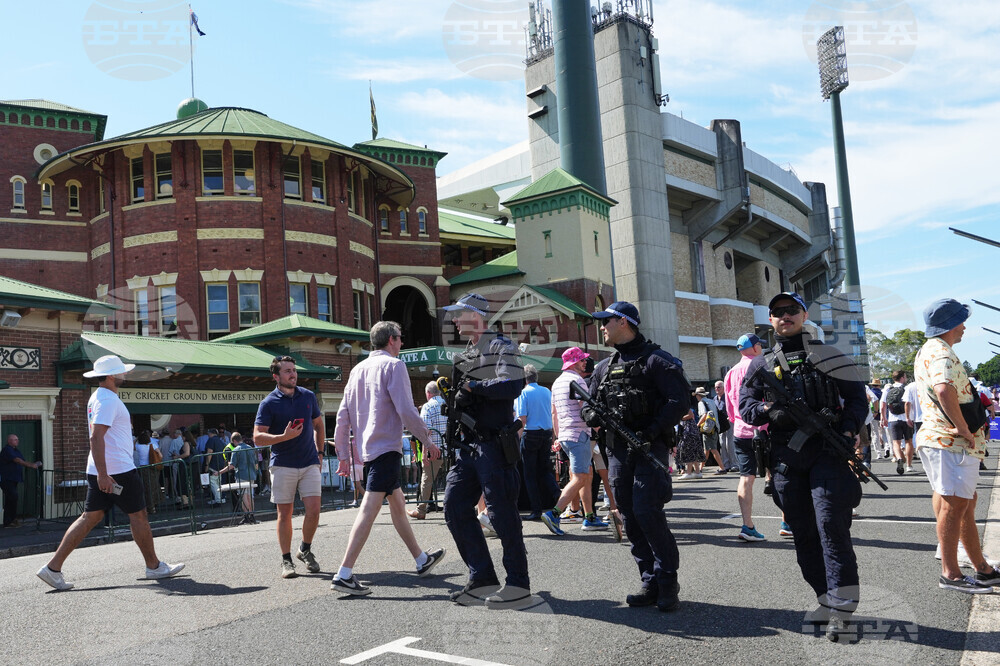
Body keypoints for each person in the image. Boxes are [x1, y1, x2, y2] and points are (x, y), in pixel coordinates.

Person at [739, 293, 867, 641]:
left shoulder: (829, 354)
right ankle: (825, 599)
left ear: (803, 314)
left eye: (791, 310)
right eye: (778, 312)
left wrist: (848, 428)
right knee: (805, 535)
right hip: (786, 459)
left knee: (832, 529)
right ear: (770, 319)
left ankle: (843, 609)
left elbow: (857, 399)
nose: (785, 316)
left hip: (827, 452)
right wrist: (769, 412)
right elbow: (745, 407)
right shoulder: (760, 364)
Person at [37, 355, 184, 590]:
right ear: (112, 375)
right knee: (139, 516)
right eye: (121, 371)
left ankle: (52, 568)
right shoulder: (108, 400)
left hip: (103, 470)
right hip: (118, 470)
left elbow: (99, 437)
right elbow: (96, 437)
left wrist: (101, 474)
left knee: (89, 518)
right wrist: (105, 475)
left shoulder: (98, 397)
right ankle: (154, 566)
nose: (125, 374)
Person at [587, 301, 690, 612]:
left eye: (606, 322)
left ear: (623, 322)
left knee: (648, 513)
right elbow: (588, 404)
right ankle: (649, 580)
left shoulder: (656, 360)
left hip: (648, 448)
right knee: (630, 516)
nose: (602, 327)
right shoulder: (604, 368)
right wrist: (592, 413)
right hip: (617, 451)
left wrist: (651, 430)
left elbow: (679, 400)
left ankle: (667, 581)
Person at [331, 321, 445, 596]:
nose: (402, 343)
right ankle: (344, 573)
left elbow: (342, 415)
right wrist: (427, 440)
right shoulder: (394, 366)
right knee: (369, 509)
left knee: (398, 502)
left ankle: (420, 559)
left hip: (368, 449)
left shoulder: (356, 369)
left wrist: (344, 456)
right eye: (401, 338)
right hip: (386, 446)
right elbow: (406, 409)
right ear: (392, 340)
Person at [441, 293, 530, 609]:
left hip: (493, 444)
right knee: (453, 507)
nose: (453, 320)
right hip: (468, 447)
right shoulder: (467, 353)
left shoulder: (500, 347)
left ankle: (518, 585)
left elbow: (512, 384)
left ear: (474, 316)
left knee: (503, 515)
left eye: (458, 315)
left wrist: (474, 388)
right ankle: (482, 578)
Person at [913, 299, 1000, 593]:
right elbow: (943, 388)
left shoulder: (931, 349)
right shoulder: (941, 352)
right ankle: (950, 574)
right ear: (951, 324)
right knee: (956, 503)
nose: (964, 327)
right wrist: (963, 427)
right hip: (951, 442)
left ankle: (982, 568)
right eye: (962, 321)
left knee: (962, 502)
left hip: (941, 440)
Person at [253, 355, 326, 579]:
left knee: (314, 510)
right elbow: (257, 438)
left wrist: (320, 453)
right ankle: (286, 560)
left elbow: (319, 425)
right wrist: (282, 437)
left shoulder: (308, 396)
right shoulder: (268, 403)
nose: (293, 374)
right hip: (283, 465)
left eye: (294, 370)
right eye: (287, 371)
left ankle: (304, 549)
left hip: (309, 462)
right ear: (276, 376)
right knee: (285, 514)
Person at [542, 348, 608, 534]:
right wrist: (597, 428)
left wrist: (557, 437)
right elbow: (585, 408)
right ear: (573, 363)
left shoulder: (556, 383)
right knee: (581, 477)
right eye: (581, 361)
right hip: (579, 433)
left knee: (586, 475)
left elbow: (554, 412)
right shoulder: (577, 380)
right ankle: (554, 513)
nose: (584, 363)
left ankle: (589, 517)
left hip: (565, 435)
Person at [724, 333, 769, 542]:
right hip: (765, 429)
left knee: (745, 477)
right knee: (776, 474)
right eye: (760, 344)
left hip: (740, 431)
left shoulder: (730, 372)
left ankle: (747, 525)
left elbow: (730, 410)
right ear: (755, 347)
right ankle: (787, 522)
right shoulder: (763, 366)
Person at [515, 364, 558, 522]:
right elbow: (552, 413)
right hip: (546, 433)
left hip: (531, 434)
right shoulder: (547, 391)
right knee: (545, 470)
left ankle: (536, 509)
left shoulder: (523, 393)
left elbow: (522, 419)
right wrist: (553, 436)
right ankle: (559, 498)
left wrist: (517, 439)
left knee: (529, 475)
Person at [409, 381, 448, 520]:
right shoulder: (448, 404)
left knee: (427, 480)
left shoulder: (427, 407)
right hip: (450, 450)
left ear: (428, 393)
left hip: (434, 450)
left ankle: (421, 511)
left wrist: (424, 453)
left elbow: (426, 432)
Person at [213, 432, 257, 524]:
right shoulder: (250, 448)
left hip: (241, 474)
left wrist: (219, 472)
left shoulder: (236, 450)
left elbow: (232, 466)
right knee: (250, 495)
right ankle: (252, 515)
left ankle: (246, 515)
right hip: (251, 474)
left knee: (244, 495)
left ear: (234, 441)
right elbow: (256, 463)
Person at [1, 434, 42, 528]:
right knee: (13, 497)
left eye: (17, 439)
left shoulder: (16, 450)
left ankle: (11, 520)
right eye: (15, 440)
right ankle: (9, 521)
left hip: (14, 479)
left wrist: (34, 464)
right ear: (9, 441)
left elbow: (22, 460)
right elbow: (17, 460)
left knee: (11, 498)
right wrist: (31, 465)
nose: (17, 441)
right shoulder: (7, 450)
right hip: (7, 479)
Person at [881, 370, 914, 474]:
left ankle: (899, 458)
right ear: (902, 377)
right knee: (908, 441)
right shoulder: (906, 388)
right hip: (906, 419)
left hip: (893, 419)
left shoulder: (888, 388)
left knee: (896, 442)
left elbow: (883, 405)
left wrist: (883, 417)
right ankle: (909, 465)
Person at [696, 386, 726, 474]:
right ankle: (700, 468)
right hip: (715, 427)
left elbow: (704, 415)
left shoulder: (701, 403)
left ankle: (722, 468)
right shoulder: (711, 401)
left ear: (698, 395)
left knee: (712, 449)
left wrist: (697, 425)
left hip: (708, 429)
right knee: (707, 449)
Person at [714, 380, 736, 472]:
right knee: (722, 443)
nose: (717, 389)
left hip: (729, 421)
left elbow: (733, 407)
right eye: (715, 387)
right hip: (720, 423)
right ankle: (726, 464)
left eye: (719, 387)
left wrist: (730, 417)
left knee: (729, 443)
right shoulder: (715, 398)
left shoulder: (727, 397)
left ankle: (734, 464)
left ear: (723, 388)